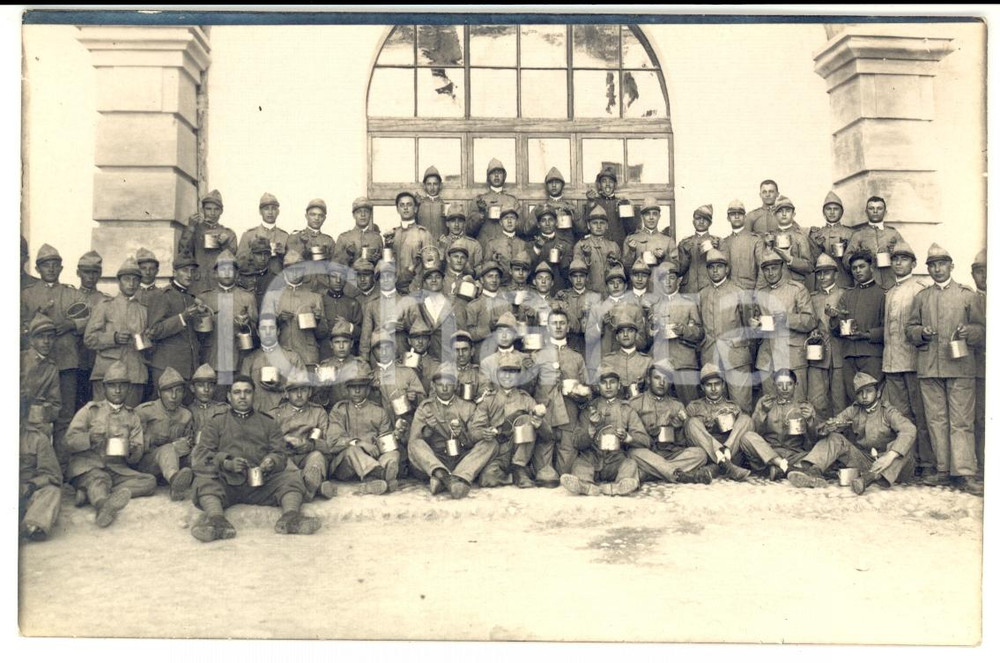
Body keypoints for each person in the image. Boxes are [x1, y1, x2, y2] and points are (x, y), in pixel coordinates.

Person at [189, 375, 320, 541]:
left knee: (291, 479)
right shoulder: (216, 423)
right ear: (229, 396)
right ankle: (216, 521)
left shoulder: (268, 423)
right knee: (204, 482)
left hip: (261, 483)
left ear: (254, 395)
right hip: (227, 483)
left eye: (247, 392)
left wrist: (271, 460)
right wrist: (226, 463)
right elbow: (201, 456)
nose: (242, 396)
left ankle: (291, 518)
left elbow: (280, 453)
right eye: (237, 392)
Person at [905, 243, 984, 496]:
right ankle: (942, 470)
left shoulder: (967, 295)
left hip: (961, 366)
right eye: (932, 265)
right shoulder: (922, 297)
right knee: (936, 420)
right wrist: (921, 333)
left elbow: (982, 330)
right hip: (929, 368)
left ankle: (963, 472)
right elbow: (910, 329)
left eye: (941, 264)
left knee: (961, 421)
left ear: (952, 266)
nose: (937, 269)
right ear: (928, 269)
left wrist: (968, 332)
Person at [787, 372, 916, 495]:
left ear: (878, 393)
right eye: (860, 393)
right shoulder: (854, 410)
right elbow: (831, 424)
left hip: (893, 467)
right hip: (866, 461)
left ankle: (870, 478)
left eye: (869, 391)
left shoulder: (888, 411)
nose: (864, 396)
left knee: (903, 447)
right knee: (835, 438)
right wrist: (828, 427)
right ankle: (814, 471)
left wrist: (889, 457)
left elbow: (909, 430)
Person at [63, 360, 157, 528]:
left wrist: (131, 451)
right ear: (104, 387)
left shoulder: (132, 416)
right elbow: (69, 441)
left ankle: (91, 494)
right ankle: (102, 507)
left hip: (116, 469)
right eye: (113, 386)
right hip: (88, 466)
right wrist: (89, 438)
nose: (118, 390)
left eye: (122, 385)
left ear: (128, 388)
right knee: (98, 479)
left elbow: (137, 454)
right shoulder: (90, 410)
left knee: (149, 482)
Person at [21, 244, 88, 444]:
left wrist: (69, 324)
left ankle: (61, 463)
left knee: (65, 415)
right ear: (37, 269)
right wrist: (36, 319)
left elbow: (86, 318)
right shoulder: (27, 294)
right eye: (45, 265)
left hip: (66, 362)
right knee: (33, 412)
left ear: (60, 268)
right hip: (37, 365)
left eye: (54, 265)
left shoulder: (71, 294)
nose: (50, 269)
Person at [881, 240, 933, 477]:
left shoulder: (920, 289)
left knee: (920, 414)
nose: (899, 263)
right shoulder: (890, 292)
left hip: (913, 362)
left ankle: (926, 462)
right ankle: (907, 463)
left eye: (904, 259)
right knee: (901, 417)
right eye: (895, 259)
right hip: (892, 363)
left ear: (913, 263)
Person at [408, 364, 498, 498]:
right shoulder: (425, 407)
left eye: (449, 384)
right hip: (436, 457)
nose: (444, 388)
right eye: (440, 384)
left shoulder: (468, 406)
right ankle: (445, 477)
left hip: (461, 458)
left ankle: (457, 476)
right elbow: (416, 439)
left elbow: (473, 439)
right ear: (433, 386)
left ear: (456, 385)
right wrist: (428, 430)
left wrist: (461, 434)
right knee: (414, 444)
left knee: (491, 443)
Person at [560, 365, 645, 496]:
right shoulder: (589, 409)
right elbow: (577, 441)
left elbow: (645, 439)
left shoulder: (627, 409)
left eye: (612, 382)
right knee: (580, 463)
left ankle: (621, 486)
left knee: (630, 464)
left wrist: (627, 437)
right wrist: (591, 429)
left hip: (616, 459)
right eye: (604, 383)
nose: (609, 386)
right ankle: (585, 485)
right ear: (597, 386)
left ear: (619, 385)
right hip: (593, 457)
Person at [683, 364, 778, 482]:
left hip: (732, 454)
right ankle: (724, 464)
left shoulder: (733, 407)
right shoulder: (694, 407)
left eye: (717, 384)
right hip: (706, 454)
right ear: (702, 387)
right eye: (709, 385)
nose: (713, 389)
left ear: (723, 385)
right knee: (691, 423)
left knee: (745, 419)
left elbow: (747, 431)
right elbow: (689, 435)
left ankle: (722, 460)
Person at [528, 306, 589, 481]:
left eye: (562, 323)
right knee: (544, 474)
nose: (558, 326)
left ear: (568, 326)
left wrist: (579, 394)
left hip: (569, 418)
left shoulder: (576, 358)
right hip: (545, 418)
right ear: (548, 327)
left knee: (565, 473)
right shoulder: (537, 356)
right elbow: (528, 391)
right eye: (554, 323)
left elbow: (586, 391)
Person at [470, 353, 549, 489]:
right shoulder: (488, 400)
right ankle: (514, 476)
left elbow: (548, 435)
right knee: (487, 479)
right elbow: (473, 432)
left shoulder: (526, 399)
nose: (507, 376)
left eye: (512, 372)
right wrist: (484, 433)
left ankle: (519, 467)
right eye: (503, 371)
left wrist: (540, 424)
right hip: (497, 454)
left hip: (521, 453)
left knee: (524, 419)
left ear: (519, 376)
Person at [628, 363, 714, 485]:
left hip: (671, 454)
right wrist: (649, 434)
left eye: (666, 379)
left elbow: (683, 443)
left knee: (700, 454)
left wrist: (678, 428)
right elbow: (630, 437)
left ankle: (651, 474)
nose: (662, 383)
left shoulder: (677, 405)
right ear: (648, 379)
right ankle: (679, 474)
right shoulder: (635, 404)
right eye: (657, 378)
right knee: (634, 453)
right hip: (648, 452)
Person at [20, 314, 64, 541]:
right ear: (31, 340)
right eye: (41, 338)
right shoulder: (18, 359)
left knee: (49, 479)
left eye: (50, 338)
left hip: (36, 421)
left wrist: (41, 409)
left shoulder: (51, 368)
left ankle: (33, 525)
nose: (46, 342)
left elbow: (56, 405)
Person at [326, 363, 402, 495]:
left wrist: (395, 435)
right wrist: (359, 443)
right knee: (353, 450)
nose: (356, 391)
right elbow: (332, 442)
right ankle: (382, 475)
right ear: (347, 390)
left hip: (372, 459)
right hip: (346, 467)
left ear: (368, 389)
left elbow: (385, 442)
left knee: (393, 454)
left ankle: (372, 481)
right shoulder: (339, 410)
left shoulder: (378, 411)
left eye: (361, 387)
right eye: (352, 387)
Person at [84, 256, 148, 408]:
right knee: (101, 419)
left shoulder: (143, 310)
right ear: (119, 282)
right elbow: (89, 339)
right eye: (127, 279)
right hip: (107, 373)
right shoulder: (105, 305)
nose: (131, 283)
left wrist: (143, 342)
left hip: (134, 375)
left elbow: (144, 343)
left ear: (139, 283)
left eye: (135, 279)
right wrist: (113, 338)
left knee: (130, 419)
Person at [751, 249, 816, 398]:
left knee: (796, 405)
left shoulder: (797, 289)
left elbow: (810, 320)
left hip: (791, 357)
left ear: (782, 267)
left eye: (774, 268)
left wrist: (786, 318)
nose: (770, 273)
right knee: (770, 405)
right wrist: (755, 327)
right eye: (766, 269)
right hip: (767, 359)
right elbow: (758, 326)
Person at [697, 249, 755, 413]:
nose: (715, 270)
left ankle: (743, 437)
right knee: (714, 407)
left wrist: (744, 350)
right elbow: (700, 325)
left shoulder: (738, 292)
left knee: (741, 404)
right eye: (711, 267)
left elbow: (749, 327)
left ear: (727, 269)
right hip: (710, 356)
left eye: (719, 266)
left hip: (736, 357)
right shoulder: (703, 294)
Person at [198, 250, 259, 395]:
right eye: (222, 269)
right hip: (214, 358)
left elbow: (256, 332)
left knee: (239, 397)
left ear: (237, 274)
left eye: (230, 269)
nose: (226, 273)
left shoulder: (247, 298)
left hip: (239, 358)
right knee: (217, 400)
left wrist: (247, 324)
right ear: (215, 273)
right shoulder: (204, 298)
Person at [147, 253, 207, 394]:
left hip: (189, 368)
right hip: (167, 368)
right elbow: (154, 331)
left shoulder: (191, 298)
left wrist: (203, 315)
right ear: (174, 272)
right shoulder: (163, 295)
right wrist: (182, 317)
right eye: (185, 270)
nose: (189, 275)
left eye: (192, 271)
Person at [268, 374, 334, 501]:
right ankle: (314, 488)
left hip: (308, 455)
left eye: (303, 390)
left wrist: (310, 444)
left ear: (309, 392)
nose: (299, 395)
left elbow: (329, 443)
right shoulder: (275, 413)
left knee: (317, 458)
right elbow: (265, 441)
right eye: (294, 391)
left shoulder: (318, 412)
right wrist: (284, 440)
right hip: (285, 456)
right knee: (279, 463)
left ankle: (304, 489)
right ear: (286, 394)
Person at [134, 368, 196, 501]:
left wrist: (186, 444)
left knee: (196, 454)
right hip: (148, 464)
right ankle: (175, 481)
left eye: (178, 391)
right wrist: (151, 439)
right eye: (168, 391)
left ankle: (196, 485)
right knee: (168, 449)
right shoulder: (145, 411)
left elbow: (188, 441)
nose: (174, 396)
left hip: (176, 461)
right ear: (159, 393)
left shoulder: (186, 414)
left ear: (183, 393)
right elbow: (132, 444)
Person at [829, 250, 885, 391]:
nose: (858, 271)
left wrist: (866, 335)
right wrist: (834, 318)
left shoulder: (882, 294)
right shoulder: (847, 295)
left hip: (872, 355)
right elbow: (837, 331)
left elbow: (889, 329)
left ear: (871, 268)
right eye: (854, 268)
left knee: (871, 396)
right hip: (849, 356)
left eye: (862, 266)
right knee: (853, 398)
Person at [648, 260, 703, 404]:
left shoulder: (689, 303)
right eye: (663, 278)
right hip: (661, 364)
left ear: (679, 280)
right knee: (663, 406)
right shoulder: (655, 306)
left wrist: (683, 330)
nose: (667, 282)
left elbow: (699, 333)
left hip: (684, 363)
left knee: (689, 404)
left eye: (671, 278)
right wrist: (653, 328)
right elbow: (648, 338)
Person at [750, 368, 818, 479]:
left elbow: (814, 439)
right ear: (774, 385)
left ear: (796, 385)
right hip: (768, 452)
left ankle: (779, 469)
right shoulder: (765, 403)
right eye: (780, 384)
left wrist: (810, 420)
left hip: (794, 454)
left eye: (789, 384)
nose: (785, 388)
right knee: (747, 436)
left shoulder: (804, 407)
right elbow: (755, 432)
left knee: (820, 455)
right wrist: (763, 412)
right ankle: (786, 467)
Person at [263, 250, 328, 366]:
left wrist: (317, 322)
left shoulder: (314, 297)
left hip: (308, 355)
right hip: (282, 353)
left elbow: (322, 334)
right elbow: (263, 330)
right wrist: (278, 320)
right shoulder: (272, 296)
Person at [807, 254, 848, 420]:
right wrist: (813, 332)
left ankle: (840, 440)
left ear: (836, 275)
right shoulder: (812, 298)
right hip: (817, 355)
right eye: (819, 273)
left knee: (840, 401)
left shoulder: (845, 295)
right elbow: (808, 322)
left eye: (827, 273)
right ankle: (819, 439)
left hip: (840, 355)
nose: (822, 277)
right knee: (817, 401)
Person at [239, 314, 307, 415]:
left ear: (278, 331)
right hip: (258, 416)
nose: (267, 332)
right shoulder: (249, 360)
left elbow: (304, 387)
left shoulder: (292, 358)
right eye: (263, 328)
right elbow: (242, 390)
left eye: (271, 328)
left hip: (286, 416)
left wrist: (281, 387)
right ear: (257, 332)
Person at [179, 189, 239, 293]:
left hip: (220, 285)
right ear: (202, 210)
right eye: (208, 209)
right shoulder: (194, 230)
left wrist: (224, 245)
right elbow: (183, 252)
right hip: (198, 285)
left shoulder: (229, 234)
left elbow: (233, 262)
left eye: (216, 209)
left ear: (221, 211)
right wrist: (190, 228)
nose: (212, 213)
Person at [844, 196, 906, 288]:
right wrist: (860, 256)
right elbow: (846, 261)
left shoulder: (893, 233)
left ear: (885, 212)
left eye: (879, 208)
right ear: (866, 212)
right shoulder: (858, 234)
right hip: (867, 286)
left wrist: (894, 253)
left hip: (891, 284)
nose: (875, 211)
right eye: (871, 208)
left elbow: (907, 257)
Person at [75, 250, 109, 409]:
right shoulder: (71, 296)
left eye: (95, 272)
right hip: (75, 359)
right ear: (78, 273)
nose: (90, 276)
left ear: (100, 274)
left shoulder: (106, 300)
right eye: (86, 272)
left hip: (98, 361)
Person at [384, 190, 435, 294]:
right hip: (394, 291)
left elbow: (431, 267)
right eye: (402, 205)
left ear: (415, 209)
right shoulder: (392, 235)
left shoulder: (423, 234)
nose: (405, 208)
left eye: (409, 204)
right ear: (398, 209)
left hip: (416, 291)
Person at [462, 260, 513, 359]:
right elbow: (469, 335)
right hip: (481, 356)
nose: (494, 280)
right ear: (481, 280)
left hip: (504, 357)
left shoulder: (507, 305)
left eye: (497, 276)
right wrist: (488, 329)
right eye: (490, 276)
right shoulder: (473, 306)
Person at [469, 158, 526, 247]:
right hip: (485, 247)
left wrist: (508, 217)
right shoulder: (479, 200)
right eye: (493, 173)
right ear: (488, 177)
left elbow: (521, 228)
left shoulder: (512, 200)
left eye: (499, 173)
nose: (496, 176)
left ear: (504, 176)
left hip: (507, 249)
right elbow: (469, 230)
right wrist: (481, 214)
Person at [760, 196, 814, 285]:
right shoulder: (770, 237)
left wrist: (790, 259)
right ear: (774, 214)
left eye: (788, 211)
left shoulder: (800, 236)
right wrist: (768, 247)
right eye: (780, 211)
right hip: (774, 287)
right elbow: (763, 265)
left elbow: (809, 267)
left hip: (795, 286)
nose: (784, 214)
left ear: (793, 214)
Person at [359, 260, 406, 360]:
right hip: (378, 356)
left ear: (395, 278)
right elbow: (365, 337)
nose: (386, 280)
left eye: (389, 276)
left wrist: (405, 326)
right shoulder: (372, 304)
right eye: (382, 277)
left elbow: (417, 329)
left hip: (401, 354)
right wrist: (364, 359)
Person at [573, 204, 623, 296]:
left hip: (610, 294)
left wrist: (615, 264)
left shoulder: (613, 246)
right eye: (595, 223)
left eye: (602, 223)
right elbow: (577, 273)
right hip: (588, 294)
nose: (599, 226)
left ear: (607, 225)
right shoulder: (581, 245)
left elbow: (620, 273)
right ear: (588, 225)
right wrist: (587, 257)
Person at [807, 191, 854, 288]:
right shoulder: (816, 234)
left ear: (842, 211)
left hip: (844, 283)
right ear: (823, 212)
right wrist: (819, 248)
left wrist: (846, 253)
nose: (832, 212)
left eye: (836, 209)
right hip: (822, 285)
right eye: (828, 209)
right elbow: (811, 264)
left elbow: (855, 264)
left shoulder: (850, 233)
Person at [554, 258, 601, 355]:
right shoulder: (563, 296)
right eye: (575, 277)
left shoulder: (595, 297)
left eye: (582, 276)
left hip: (590, 346)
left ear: (587, 278)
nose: (578, 280)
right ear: (570, 278)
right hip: (568, 343)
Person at [719, 199, 765, 291]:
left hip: (749, 292)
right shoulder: (723, 242)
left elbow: (762, 268)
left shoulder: (755, 240)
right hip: (728, 293)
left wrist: (757, 292)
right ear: (728, 218)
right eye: (733, 214)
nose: (736, 216)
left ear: (745, 217)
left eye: (740, 213)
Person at [623, 198, 678, 275]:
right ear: (642, 216)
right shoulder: (631, 239)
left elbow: (676, 268)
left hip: (660, 285)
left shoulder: (668, 241)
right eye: (647, 214)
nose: (651, 217)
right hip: (638, 285)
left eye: (655, 214)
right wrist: (631, 252)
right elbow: (625, 269)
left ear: (659, 216)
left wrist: (664, 257)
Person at [238, 192, 289, 274]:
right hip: (255, 281)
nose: (270, 212)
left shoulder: (285, 236)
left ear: (278, 212)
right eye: (266, 209)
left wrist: (282, 255)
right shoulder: (248, 236)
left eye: (273, 208)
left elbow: (292, 265)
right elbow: (239, 263)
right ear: (260, 211)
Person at [583, 165, 633, 248]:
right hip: (598, 248)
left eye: (611, 181)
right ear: (599, 185)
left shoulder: (621, 202)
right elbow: (585, 227)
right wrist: (591, 203)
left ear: (615, 185)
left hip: (618, 247)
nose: (607, 184)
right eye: (604, 181)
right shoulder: (594, 202)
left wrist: (627, 208)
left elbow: (631, 229)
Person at [319, 266, 362, 359]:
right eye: (334, 277)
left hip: (348, 356)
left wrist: (349, 326)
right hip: (325, 354)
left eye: (342, 277)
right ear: (327, 279)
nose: (338, 281)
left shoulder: (352, 303)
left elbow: (361, 333)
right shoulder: (320, 301)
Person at [677, 204, 721, 294]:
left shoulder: (718, 242)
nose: (701, 221)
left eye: (705, 219)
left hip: (709, 290)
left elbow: (724, 269)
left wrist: (714, 251)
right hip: (688, 291)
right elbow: (679, 271)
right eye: (698, 218)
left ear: (710, 223)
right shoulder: (684, 243)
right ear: (693, 221)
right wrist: (686, 254)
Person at [529, 204, 573, 291]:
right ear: (538, 224)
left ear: (556, 222)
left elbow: (568, 276)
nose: (547, 223)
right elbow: (528, 272)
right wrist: (537, 249)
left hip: (559, 291)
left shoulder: (566, 245)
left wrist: (561, 258)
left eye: (551, 220)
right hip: (536, 293)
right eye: (543, 220)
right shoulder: (530, 245)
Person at [970, 248, 987, 477]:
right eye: (979, 272)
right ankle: (981, 463)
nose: (984, 277)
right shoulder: (969, 298)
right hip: (977, 368)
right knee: (979, 416)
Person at [333, 197, 383, 269]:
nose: (363, 215)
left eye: (366, 211)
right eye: (359, 212)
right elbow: (336, 267)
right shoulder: (344, 238)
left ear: (370, 215)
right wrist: (352, 267)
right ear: (354, 215)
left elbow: (382, 267)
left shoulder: (377, 238)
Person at [287, 198, 335, 266]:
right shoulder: (295, 237)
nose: (316, 218)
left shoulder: (329, 241)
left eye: (320, 215)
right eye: (313, 214)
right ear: (306, 216)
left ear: (324, 218)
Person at [438, 202, 483, 275]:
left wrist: (470, 271)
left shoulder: (474, 245)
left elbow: (479, 272)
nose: (456, 224)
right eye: (453, 221)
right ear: (447, 223)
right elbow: (435, 272)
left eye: (460, 221)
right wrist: (441, 252)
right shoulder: (440, 243)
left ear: (465, 223)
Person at [543, 166, 585, 238]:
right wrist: (538, 212)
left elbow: (583, 230)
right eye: (550, 183)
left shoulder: (571, 207)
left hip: (567, 245)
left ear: (562, 185)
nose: (553, 185)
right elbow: (527, 231)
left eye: (557, 182)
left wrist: (574, 214)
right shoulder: (542, 207)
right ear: (546, 186)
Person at [189, 363, 229, 437]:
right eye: (201, 385)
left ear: (215, 388)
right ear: (192, 388)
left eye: (210, 385)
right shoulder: (188, 412)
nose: (206, 389)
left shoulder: (224, 410)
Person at [416, 166, 447, 241]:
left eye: (435, 184)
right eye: (429, 184)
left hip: (440, 246)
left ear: (440, 185)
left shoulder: (444, 205)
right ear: (424, 186)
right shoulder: (419, 205)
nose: (432, 187)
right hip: (423, 245)